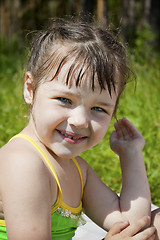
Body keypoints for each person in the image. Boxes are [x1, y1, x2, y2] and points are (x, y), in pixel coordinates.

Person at [0, 18, 154, 240]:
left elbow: (133, 227)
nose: (80, 120)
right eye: (64, 99)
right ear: (30, 89)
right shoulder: (24, 162)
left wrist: (131, 155)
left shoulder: (78, 170)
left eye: (99, 108)